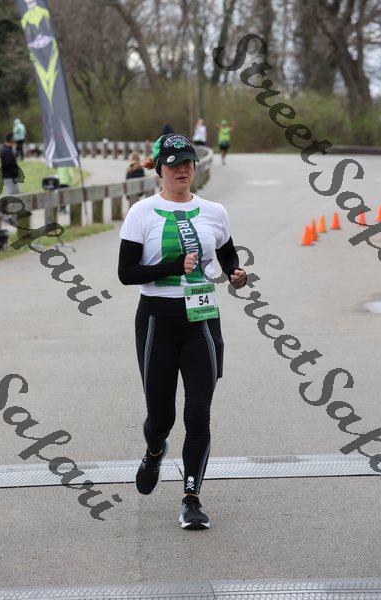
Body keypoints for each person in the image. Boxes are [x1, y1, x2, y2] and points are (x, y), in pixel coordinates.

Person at [118, 132, 248, 530]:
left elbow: (227, 254)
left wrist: (235, 272)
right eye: (174, 164)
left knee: (199, 411)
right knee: (161, 417)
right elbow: (127, 273)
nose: (182, 170)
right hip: (156, 320)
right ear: (159, 169)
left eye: (188, 162)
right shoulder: (142, 212)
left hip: (201, 319)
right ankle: (155, 451)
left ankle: (191, 497)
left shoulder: (214, 211)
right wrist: (171, 267)